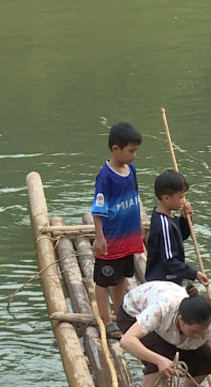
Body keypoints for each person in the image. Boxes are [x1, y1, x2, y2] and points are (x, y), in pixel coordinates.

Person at [91, 121, 144, 339]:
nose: (133, 155)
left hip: (128, 237)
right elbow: (98, 208)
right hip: (112, 238)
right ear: (116, 148)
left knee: (121, 277)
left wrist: (139, 227)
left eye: (135, 151)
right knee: (104, 281)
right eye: (130, 151)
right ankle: (106, 320)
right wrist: (100, 236)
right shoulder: (105, 176)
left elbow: (135, 197)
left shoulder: (130, 170)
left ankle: (119, 311)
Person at [145, 169, 209, 287]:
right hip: (163, 281)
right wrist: (193, 274)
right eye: (181, 197)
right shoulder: (163, 223)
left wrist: (184, 219)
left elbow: (179, 236)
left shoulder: (169, 216)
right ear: (166, 198)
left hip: (171, 279)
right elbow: (169, 259)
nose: (183, 201)